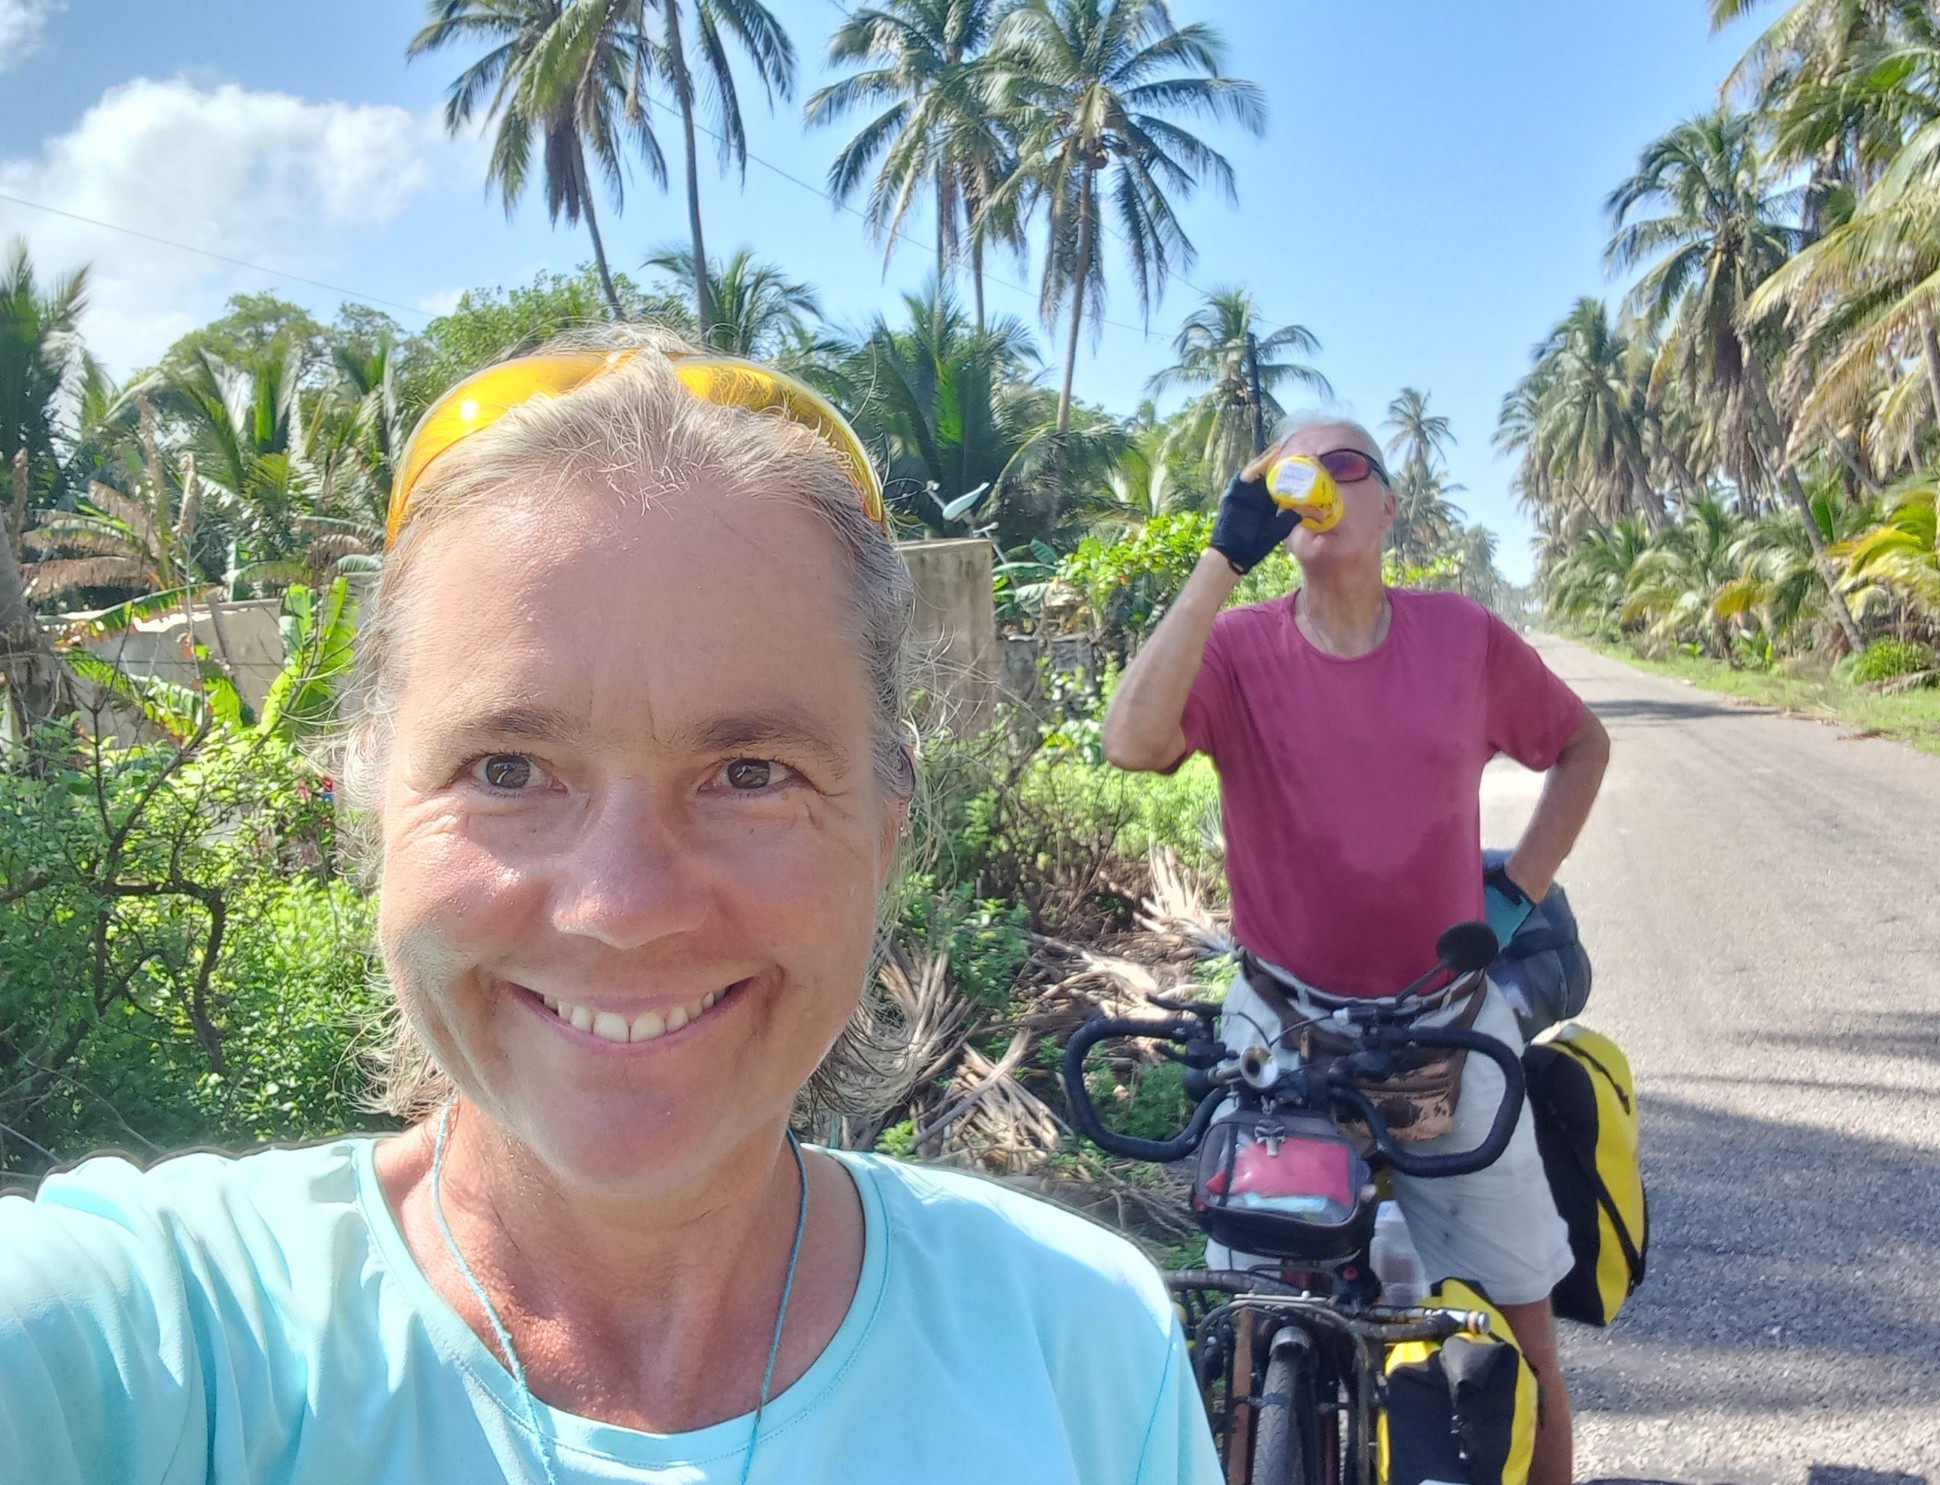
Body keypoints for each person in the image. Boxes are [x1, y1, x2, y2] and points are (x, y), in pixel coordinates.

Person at [0, 332, 1221, 1485]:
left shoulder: (1080, 1350)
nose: (622, 907)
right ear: (372, 812)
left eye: (751, 774)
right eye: (507, 770)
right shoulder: (157, 1342)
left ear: (885, 832)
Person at [1101, 418, 1610, 1485]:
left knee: (1520, 1340)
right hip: (1281, 1032)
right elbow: (1132, 741)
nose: (1321, 484)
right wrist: (1222, 554)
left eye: (1348, 466)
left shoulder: (1461, 637)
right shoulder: (1237, 648)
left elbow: (1580, 744)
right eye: (1299, 471)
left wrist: (1517, 890)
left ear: (1387, 507)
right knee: (1252, 1323)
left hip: (1446, 1027)